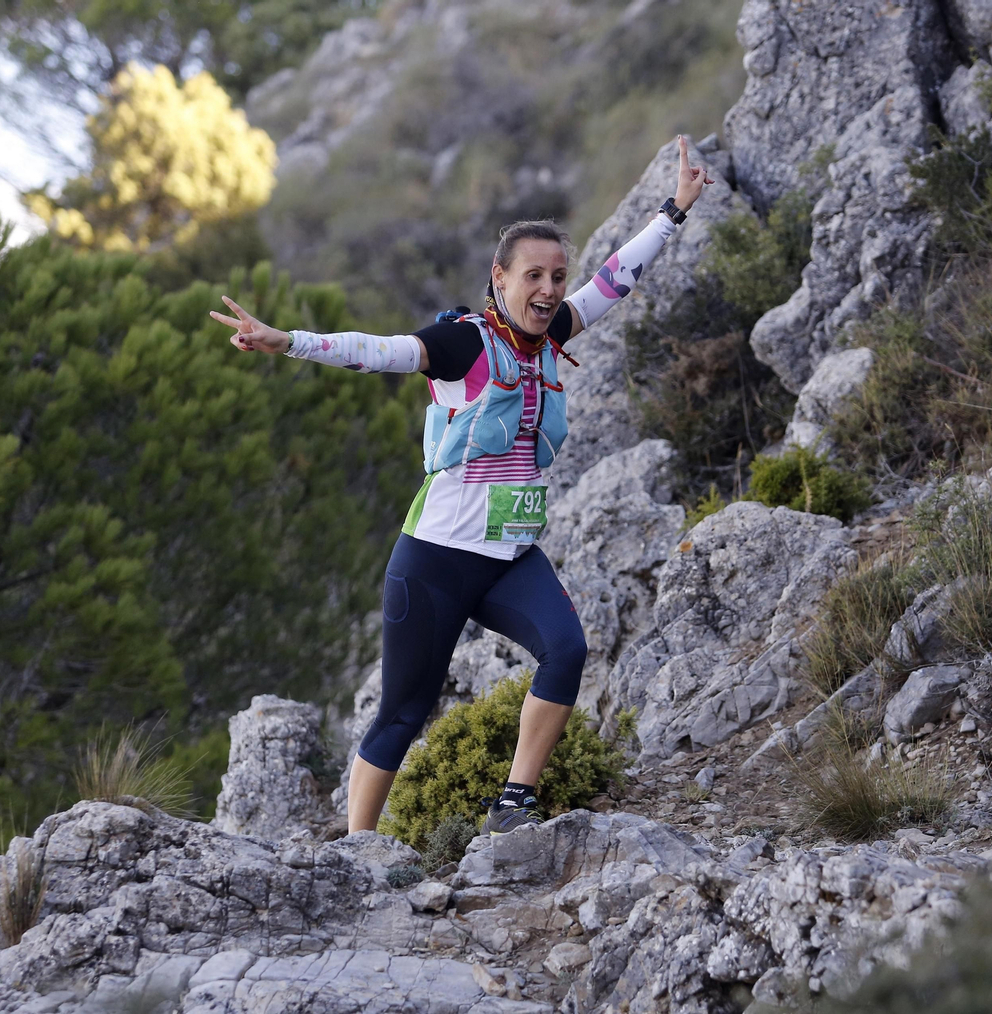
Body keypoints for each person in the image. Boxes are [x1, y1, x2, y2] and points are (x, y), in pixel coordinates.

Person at [211, 137, 714, 835]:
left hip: (510, 558)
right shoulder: (464, 343)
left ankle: (514, 802)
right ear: (500, 277)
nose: (549, 289)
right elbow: (377, 351)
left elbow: (614, 278)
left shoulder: (551, 336)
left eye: (557, 276)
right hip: (436, 561)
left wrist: (674, 211)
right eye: (533, 275)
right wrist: (286, 340)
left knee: (567, 650)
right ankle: (359, 850)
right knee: (402, 713)